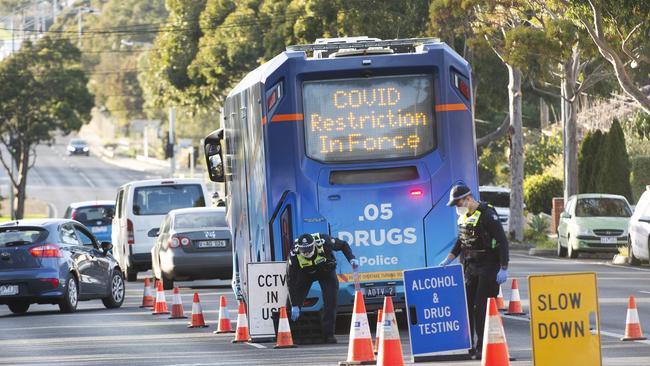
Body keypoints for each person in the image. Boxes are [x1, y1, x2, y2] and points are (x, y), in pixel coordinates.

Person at [439, 184, 509, 359]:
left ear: (468, 198)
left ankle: (482, 346)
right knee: (467, 306)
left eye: (458, 203)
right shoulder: (464, 218)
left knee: (480, 307)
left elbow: (502, 241)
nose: (457, 207)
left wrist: (504, 267)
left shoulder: (488, 215)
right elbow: (461, 241)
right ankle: (467, 344)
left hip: (488, 265)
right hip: (471, 266)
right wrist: (449, 258)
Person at [286, 232, 359, 344]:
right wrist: (294, 304)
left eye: (309, 248)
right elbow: (290, 280)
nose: (306, 252)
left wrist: (351, 258)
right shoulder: (294, 253)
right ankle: (289, 334)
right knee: (292, 303)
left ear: (314, 245)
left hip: (326, 272)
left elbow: (343, 244)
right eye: (303, 250)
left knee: (331, 301)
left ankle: (328, 335)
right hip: (305, 274)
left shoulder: (324, 242)